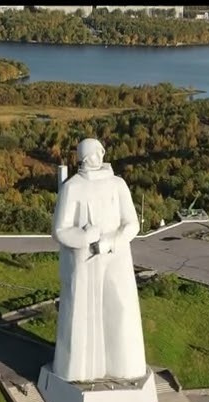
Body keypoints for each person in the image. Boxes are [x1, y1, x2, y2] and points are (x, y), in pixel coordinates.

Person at [50, 138, 147, 382]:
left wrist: (110, 242)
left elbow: (132, 224)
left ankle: (126, 367)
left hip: (116, 258)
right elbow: (60, 230)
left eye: (96, 153)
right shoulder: (73, 187)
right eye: (90, 155)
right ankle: (79, 371)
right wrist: (85, 237)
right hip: (85, 261)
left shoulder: (117, 184)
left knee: (121, 311)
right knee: (82, 317)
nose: (94, 158)